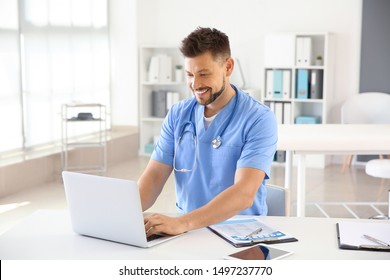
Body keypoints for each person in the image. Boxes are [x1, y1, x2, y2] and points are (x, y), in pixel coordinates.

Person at [139, 27, 277, 237]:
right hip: (188, 233)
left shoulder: (258, 118)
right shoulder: (178, 114)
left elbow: (244, 193)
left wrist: (182, 223)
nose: (195, 84)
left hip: (242, 233)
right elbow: (155, 176)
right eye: (189, 74)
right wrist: (121, 214)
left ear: (228, 66)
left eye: (204, 74)